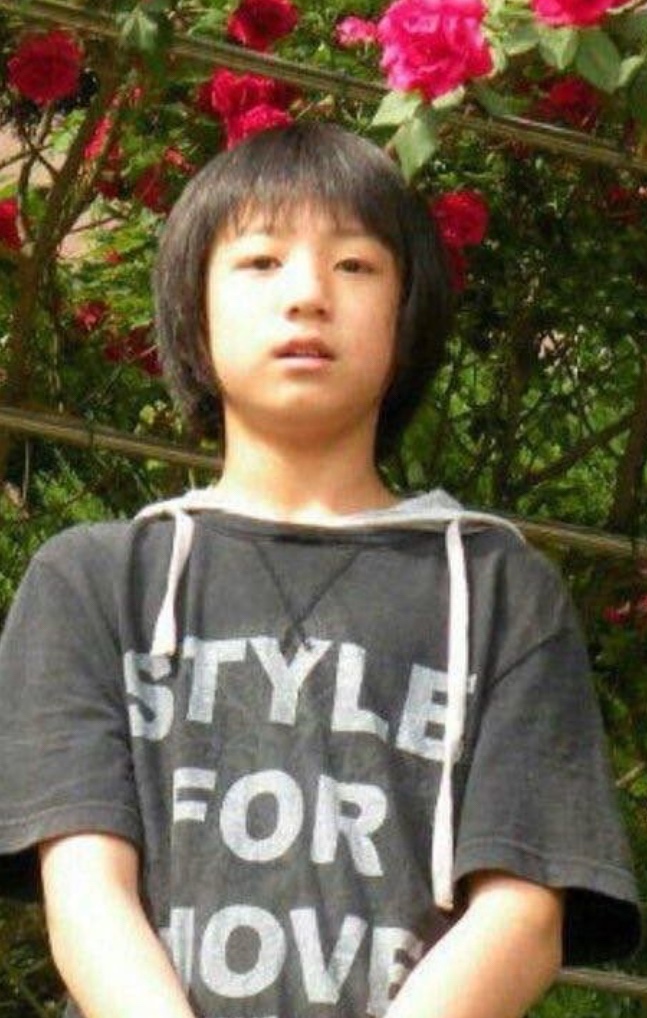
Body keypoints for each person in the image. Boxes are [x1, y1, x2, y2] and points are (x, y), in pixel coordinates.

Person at [0, 122, 640, 1018]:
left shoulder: (499, 588)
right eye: (260, 262)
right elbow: (84, 890)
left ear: (406, 316)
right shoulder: (95, 581)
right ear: (193, 312)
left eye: (354, 265)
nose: (307, 295)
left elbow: (523, 912)